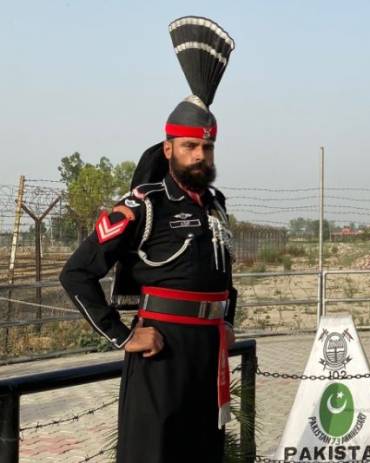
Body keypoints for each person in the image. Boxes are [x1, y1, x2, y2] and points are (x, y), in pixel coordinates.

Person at [60, 17, 237, 463]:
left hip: (209, 354)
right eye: (189, 147)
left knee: (203, 453)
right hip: (161, 350)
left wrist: (228, 320)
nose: (200, 156)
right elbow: (77, 273)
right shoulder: (143, 205)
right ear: (168, 149)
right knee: (154, 454)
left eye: (207, 148)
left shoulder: (215, 206)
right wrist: (122, 336)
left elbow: (225, 277)